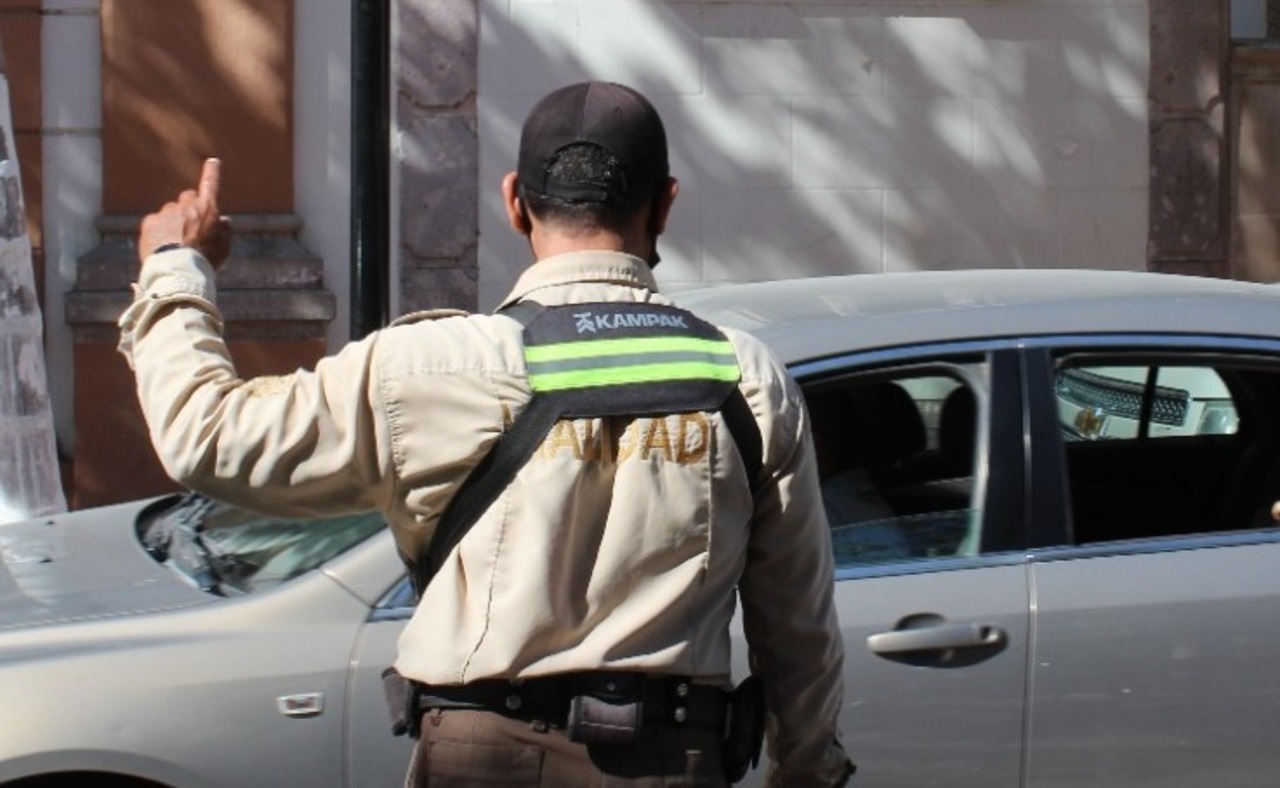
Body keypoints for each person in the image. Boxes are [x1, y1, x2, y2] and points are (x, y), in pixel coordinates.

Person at [118, 80, 854, 786]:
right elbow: (799, 632)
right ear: (664, 204)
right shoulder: (745, 378)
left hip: (482, 759)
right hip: (672, 760)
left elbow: (208, 436)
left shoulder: (430, 367)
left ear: (513, 203)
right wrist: (806, 773)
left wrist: (175, 268)